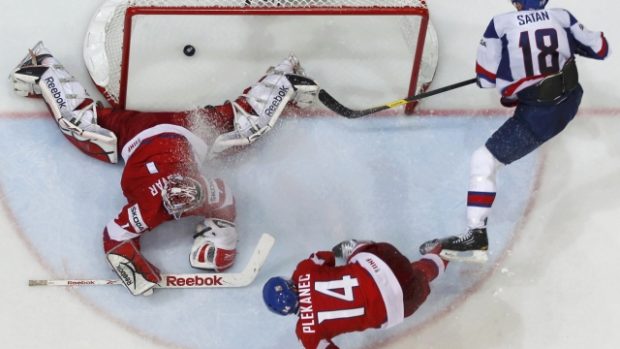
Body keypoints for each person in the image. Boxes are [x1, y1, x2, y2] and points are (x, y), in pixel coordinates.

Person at [10, 41, 319, 296]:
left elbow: (115, 239)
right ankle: (284, 77)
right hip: (167, 129)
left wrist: (138, 266)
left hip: (153, 129)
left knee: (243, 127)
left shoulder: (179, 200)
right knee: (86, 129)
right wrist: (217, 235)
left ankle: (44, 68)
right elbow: (113, 238)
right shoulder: (154, 207)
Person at [419, 0, 610, 261]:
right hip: (570, 101)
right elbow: (601, 49)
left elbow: (486, 80)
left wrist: (506, 70)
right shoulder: (562, 16)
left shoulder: (500, 25)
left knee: (484, 160)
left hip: (539, 117)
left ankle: (475, 236)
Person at [262, 239, 448, 349]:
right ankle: (356, 246)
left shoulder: (306, 334)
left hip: (397, 305)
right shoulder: (303, 271)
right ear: (289, 284)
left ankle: (444, 253)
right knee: (368, 256)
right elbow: (328, 256)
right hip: (384, 259)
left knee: (418, 279)